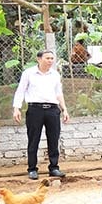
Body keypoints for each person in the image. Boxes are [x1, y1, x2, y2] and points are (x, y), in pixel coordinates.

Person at [12, 48, 66, 183]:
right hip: (35, 110)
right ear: (39, 59)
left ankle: (54, 167)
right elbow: (20, 91)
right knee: (33, 139)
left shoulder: (55, 75)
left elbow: (59, 93)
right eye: (47, 58)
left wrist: (64, 109)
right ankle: (32, 169)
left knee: (54, 139)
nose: (50, 61)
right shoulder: (29, 73)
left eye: (52, 59)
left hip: (53, 110)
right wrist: (16, 108)